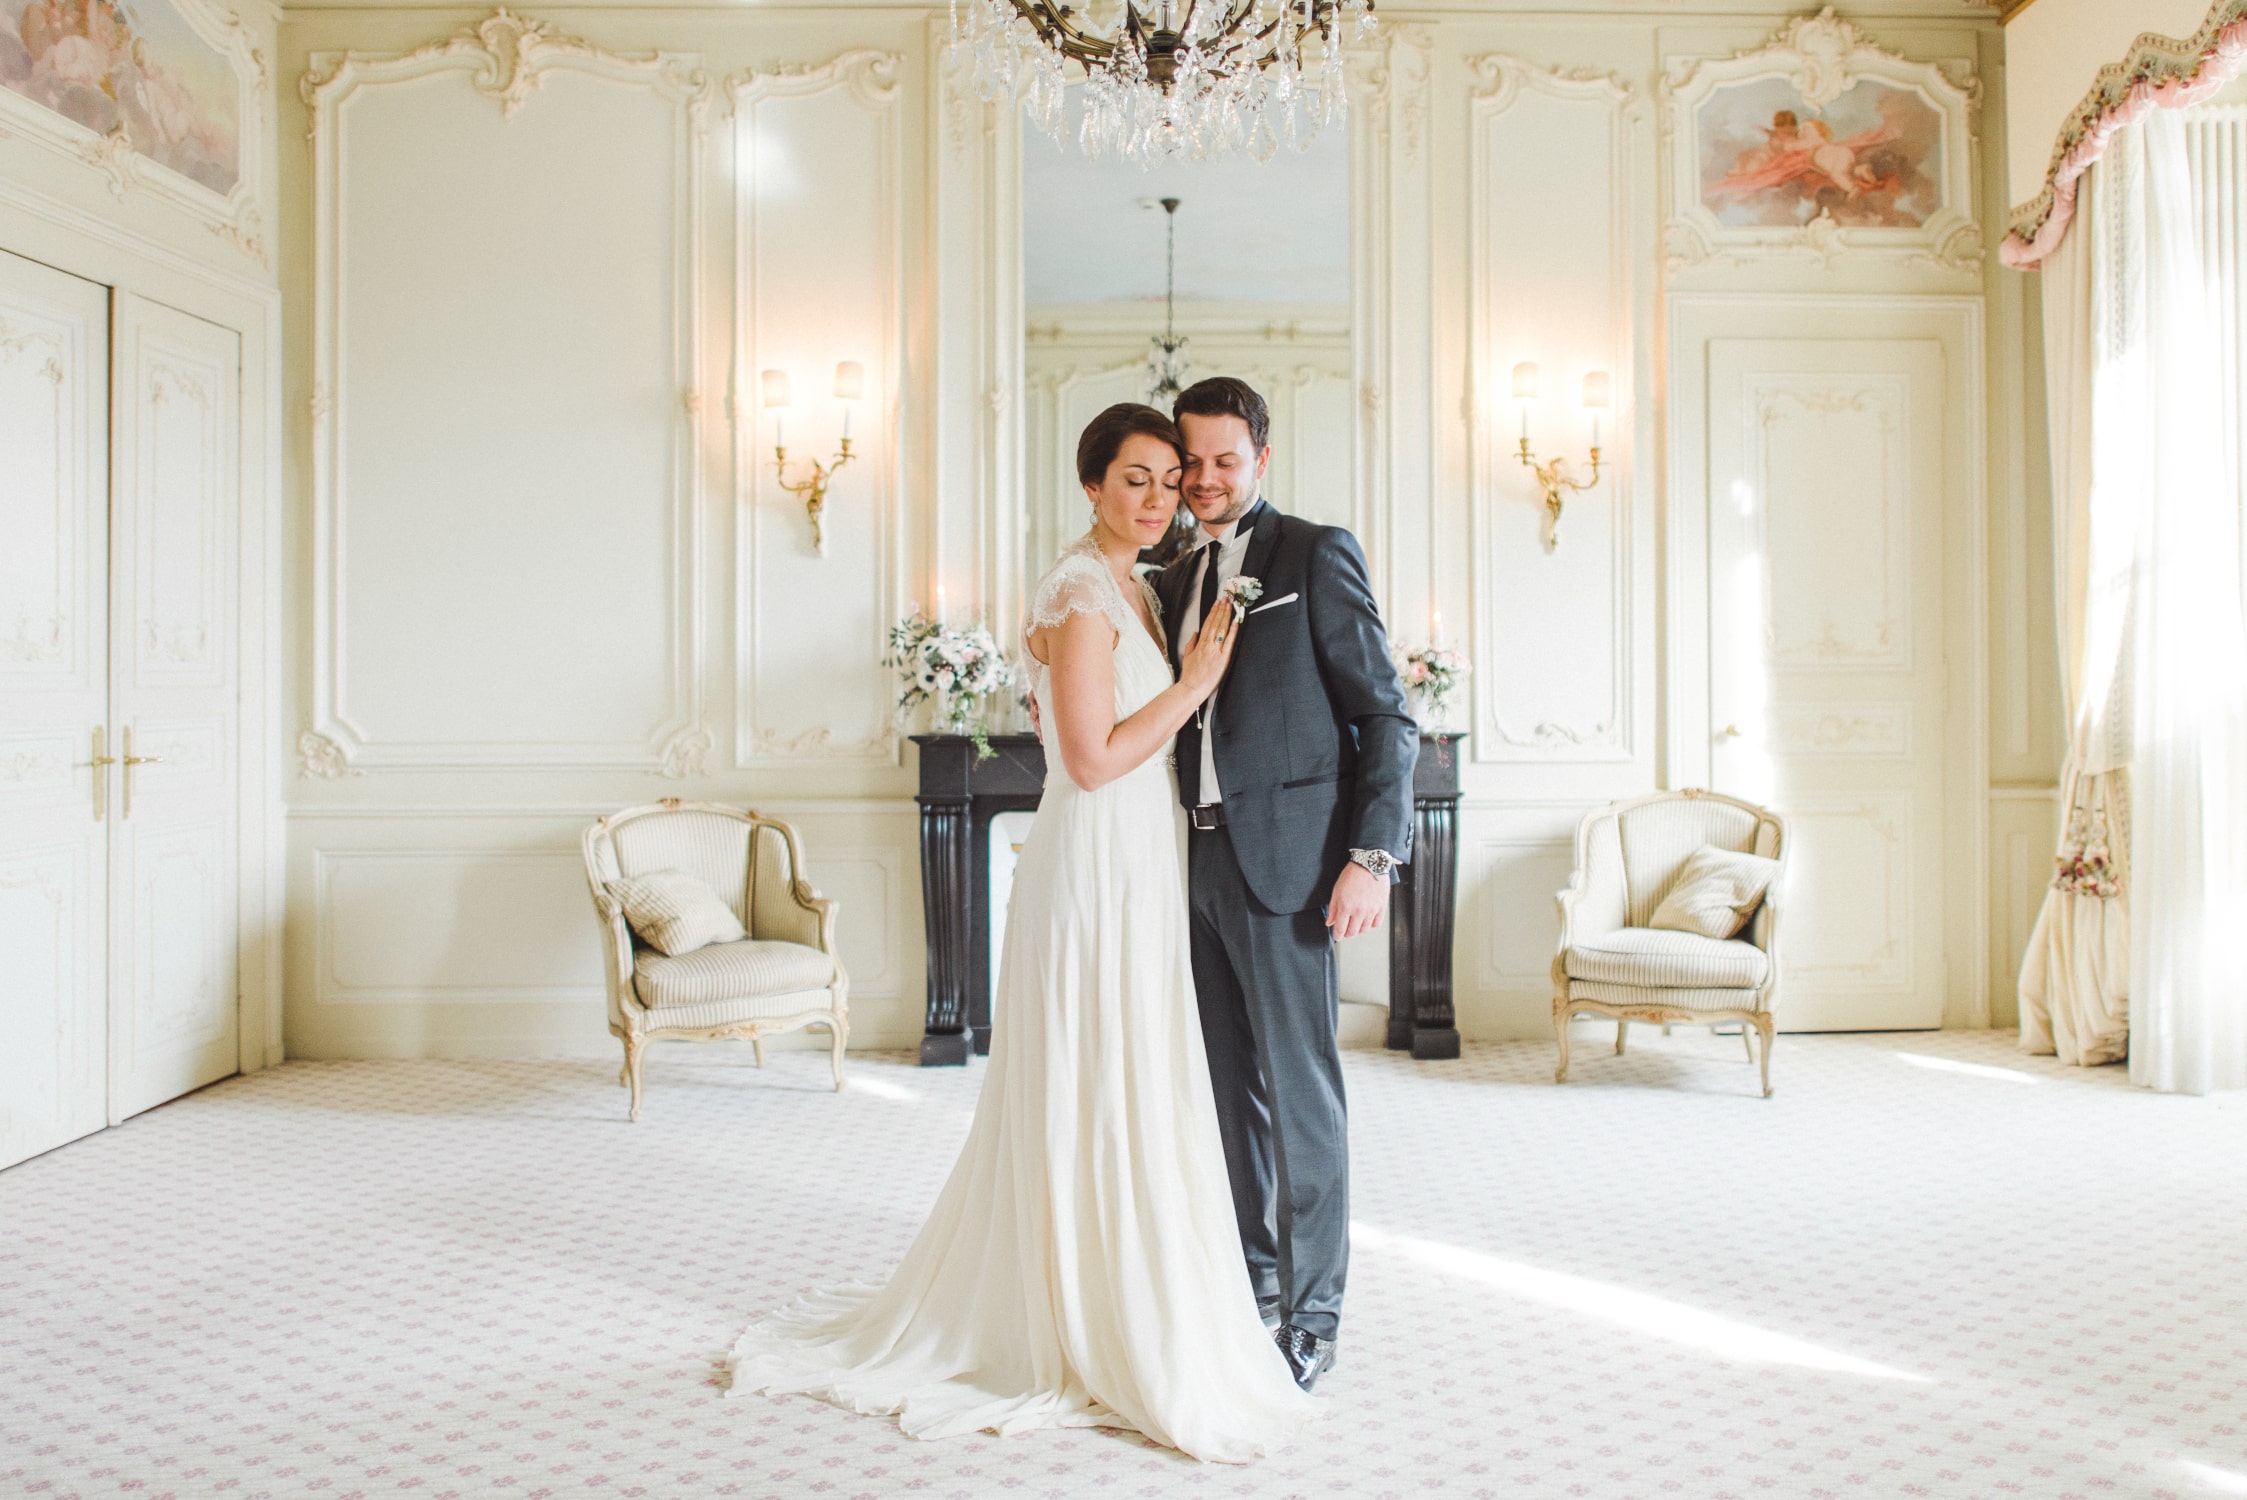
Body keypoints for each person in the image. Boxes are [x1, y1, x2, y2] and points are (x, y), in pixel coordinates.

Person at [726, 403, 1313, 1463]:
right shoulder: (1079, 592)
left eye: (1169, 481)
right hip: (1095, 856)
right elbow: (1089, 759)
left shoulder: (1138, 584)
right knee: (1099, 1074)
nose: (1159, 498)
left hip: (1142, 855)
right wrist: (1192, 686)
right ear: (1091, 484)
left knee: (1137, 1073)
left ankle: (1141, 1293)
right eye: (1134, 478)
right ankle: (1083, 1314)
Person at [1153, 376, 1418, 1392]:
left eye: (1226, 460)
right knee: (1228, 1094)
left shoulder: (1314, 553)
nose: (1206, 479)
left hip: (1290, 866)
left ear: (1261, 458)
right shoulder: (1172, 574)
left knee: (1302, 1097)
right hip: (1189, 863)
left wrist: (1370, 855)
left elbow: (1384, 715)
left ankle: (1313, 1318)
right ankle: (1253, 1283)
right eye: (1192, 462)